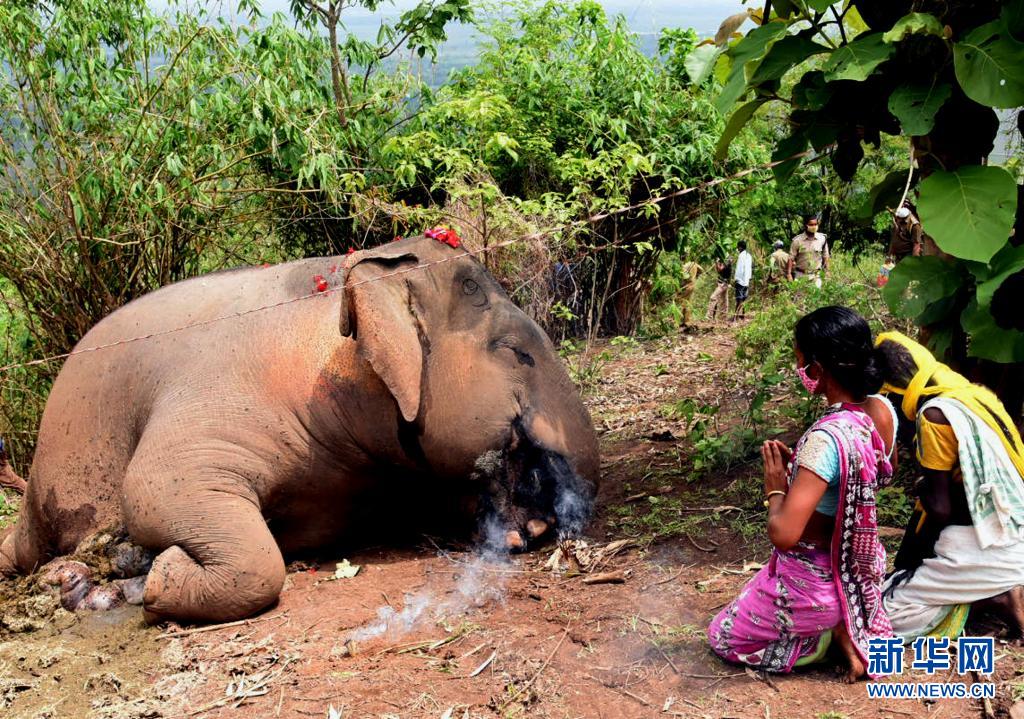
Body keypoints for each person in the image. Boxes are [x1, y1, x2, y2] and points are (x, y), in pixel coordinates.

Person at [709, 306, 897, 682]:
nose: (800, 370)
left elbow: (784, 534)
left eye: (800, 361)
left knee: (723, 635)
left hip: (816, 586)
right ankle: (846, 624)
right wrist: (805, 470)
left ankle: (823, 637)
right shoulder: (883, 411)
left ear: (818, 369)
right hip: (860, 575)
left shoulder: (824, 440)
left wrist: (777, 486)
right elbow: (858, 480)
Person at [875, 331, 1024, 639]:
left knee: (886, 616)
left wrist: (921, 486)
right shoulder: (971, 393)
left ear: (893, 391)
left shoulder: (934, 415)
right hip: (1014, 526)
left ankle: (993, 598)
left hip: (985, 540)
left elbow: (940, 509)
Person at [788, 215, 830, 283]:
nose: (814, 227)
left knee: (816, 290)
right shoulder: (797, 241)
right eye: (811, 225)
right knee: (799, 290)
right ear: (805, 225)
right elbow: (791, 258)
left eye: (815, 224)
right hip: (800, 274)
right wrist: (789, 274)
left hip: (816, 275)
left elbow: (825, 256)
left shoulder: (822, 238)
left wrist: (827, 271)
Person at [705, 254, 731, 323]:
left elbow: (719, 269)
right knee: (724, 301)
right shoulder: (724, 263)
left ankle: (709, 316)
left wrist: (716, 262)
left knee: (713, 297)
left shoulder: (727, 264)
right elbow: (719, 270)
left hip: (723, 285)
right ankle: (723, 318)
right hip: (722, 284)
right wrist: (717, 262)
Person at [679, 258, 702, 327]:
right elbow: (701, 269)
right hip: (692, 285)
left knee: (681, 302)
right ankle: (686, 321)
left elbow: (684, 277)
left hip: (685, 286)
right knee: (688, 302)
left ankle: (679, 321)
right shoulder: (693, 264)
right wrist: (696, 276)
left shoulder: (684, 266)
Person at [733, 241, 752, 320]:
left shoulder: (741, 256)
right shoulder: (749, 255)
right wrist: (749, 278)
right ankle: (742, 316)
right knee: (744, 299)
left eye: (738, 247)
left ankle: (735, 317)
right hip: (746, 280)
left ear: (740, 247)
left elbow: (739, 269)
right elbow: (749, 268)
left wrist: (736, 279)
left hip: (740, 281)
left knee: (739, 299)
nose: (737, 249)